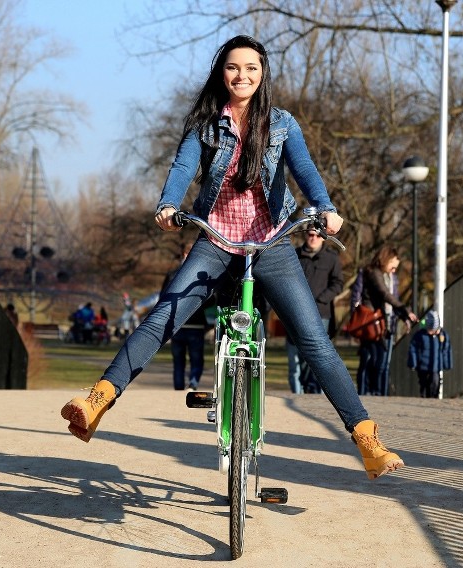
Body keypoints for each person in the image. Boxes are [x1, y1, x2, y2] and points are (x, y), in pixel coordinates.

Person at [60, 35, 405, 480]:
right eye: (232, 68)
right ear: (220, 73)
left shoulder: (282, 124)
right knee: (164, 315)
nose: (242, 76)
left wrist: (326, 207)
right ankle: (98, 400)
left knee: (314, 340)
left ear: (262, 75)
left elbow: (305, 171)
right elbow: (183, 169)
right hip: (215, 240)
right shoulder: (204, 124)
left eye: (251, 68)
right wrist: (169, 204)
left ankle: (366, 439)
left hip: (273, 243)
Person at [286, 229, 343, 394]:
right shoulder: (294, 255)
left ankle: (313, 392)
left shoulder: (331, 258)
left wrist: (321, 299)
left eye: (318, 235)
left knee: (316, 355)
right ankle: (297, 394)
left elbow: (338, 283)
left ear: (323, 238)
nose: (313, 238)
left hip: (321, 314)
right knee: (295, 357)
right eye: (310, 235)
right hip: (295, 313)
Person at [355, 245, 418, 396]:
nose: (394, 270)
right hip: (372, 322)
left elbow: (392, 298)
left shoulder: (389, 277)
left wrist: (404, 314)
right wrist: (404, 308)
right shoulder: (373, 273)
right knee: (370, 359)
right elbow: (385, 294)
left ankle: (379, 393)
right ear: (386, 259)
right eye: (393, 266)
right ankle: (367, 392)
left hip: (386, 322)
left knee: (382, 362)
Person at [161, 244, 212, 390]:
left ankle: (178, 388)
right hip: (196, 324)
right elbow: (210, 299)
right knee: (196, 359)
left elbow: (162, 297)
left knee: (178, 360)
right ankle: (193, 384)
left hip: (176, 324)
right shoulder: (203, 274)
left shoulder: (172, 274)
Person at [407, 310, 453, 398]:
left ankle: (434, 396)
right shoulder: (420, 335)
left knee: (435, 382)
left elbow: (446, 350)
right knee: (424, 384)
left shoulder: (442, 335)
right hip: (422, 367)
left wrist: (447, 364)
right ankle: (425, 396)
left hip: (435, 367)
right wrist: (413, 363)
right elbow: (413, 349)